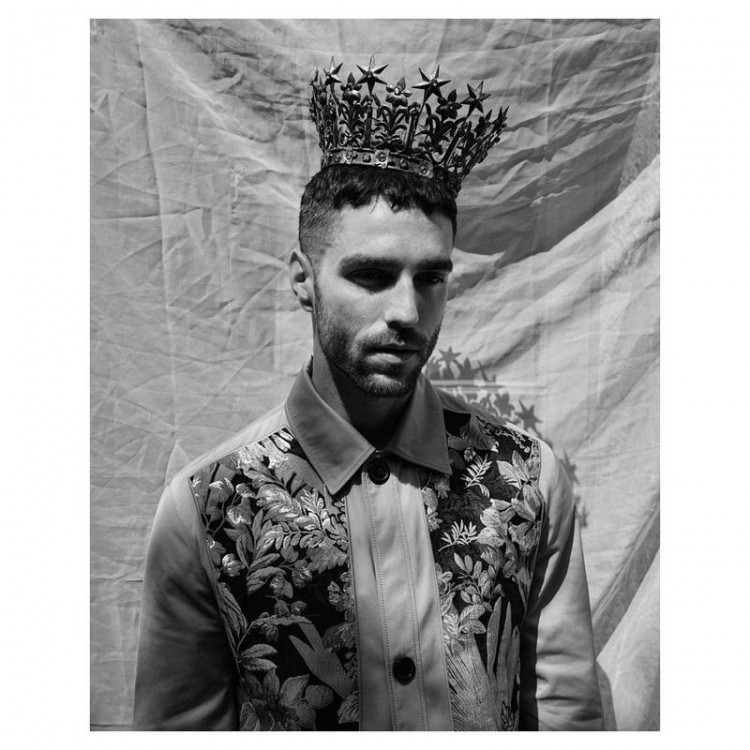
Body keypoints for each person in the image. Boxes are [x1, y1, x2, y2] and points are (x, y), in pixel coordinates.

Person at [133, 58, 603, 731]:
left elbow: (567, 718)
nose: (408, 312)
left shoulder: (529, 480)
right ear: (304, 279)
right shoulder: (208, 508)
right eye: (372, 276)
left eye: (430, 279)